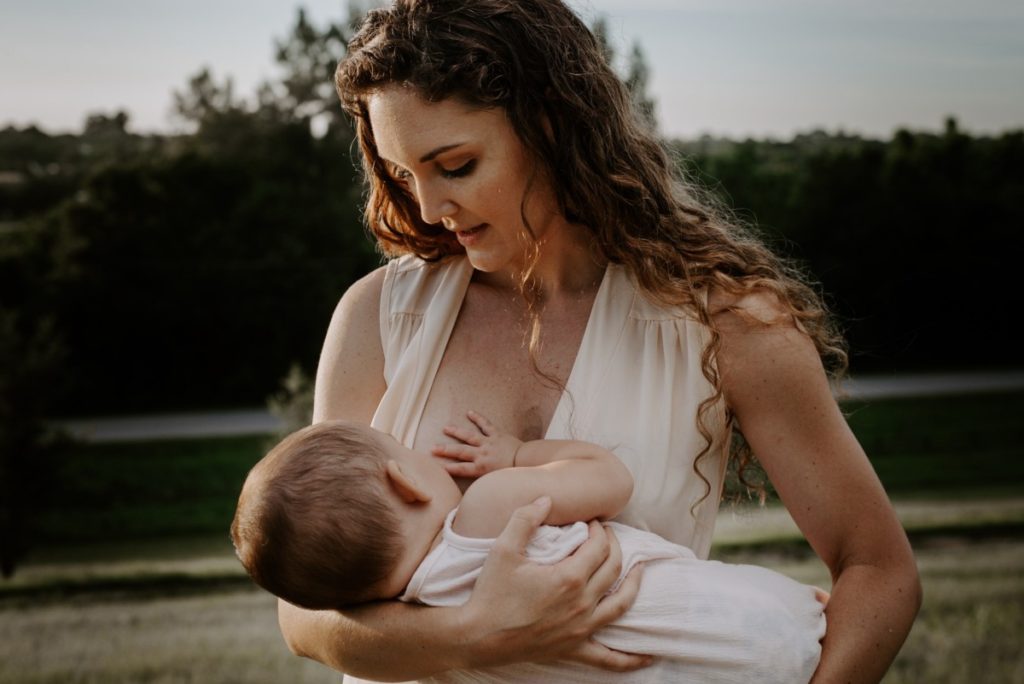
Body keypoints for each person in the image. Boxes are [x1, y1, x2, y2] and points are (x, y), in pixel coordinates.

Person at [278, 1, 922, 682]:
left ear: (550, 125)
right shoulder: (378, 316)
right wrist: (471, 637)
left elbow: (880, 571)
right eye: (406, 174)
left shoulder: (727, 323)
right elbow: (303, 616)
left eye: (457, 165)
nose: (430, 209)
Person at [234, 416, 828, 683]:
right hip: (757, 630)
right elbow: (610, 479)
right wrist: (515, 457)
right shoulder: (490, 510)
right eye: (406, 448)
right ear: (407, 481)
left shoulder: (421, 631)